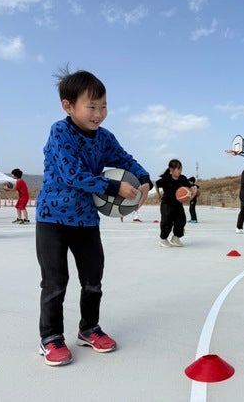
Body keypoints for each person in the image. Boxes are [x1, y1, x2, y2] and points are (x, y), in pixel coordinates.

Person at [36, 69, 151, 366]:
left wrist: (144, 179)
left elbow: (124, 159)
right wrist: (114, 187)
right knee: (55, 282)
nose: (99, 113)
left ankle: (89, 329)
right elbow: (71, 174)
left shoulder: (104, 138)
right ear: (68, 106)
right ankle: (50, 337)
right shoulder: (60, 132)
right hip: (52, 219)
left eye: (104, 106)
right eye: (91, 106)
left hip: (86, 220)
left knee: (93, 280)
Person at [155, 159, 190, 247]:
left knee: (181, 221)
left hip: (178, 204)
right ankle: (163, 239)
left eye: (181, 169)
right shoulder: (166, 179)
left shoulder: (183, 178)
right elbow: (156, 184)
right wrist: (158, 194)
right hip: (167, 204)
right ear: (171, 169)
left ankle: (175, 238)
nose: (180, 171)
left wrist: (192, 191)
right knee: (167, 221)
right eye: (178, 169)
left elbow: (189, 188)